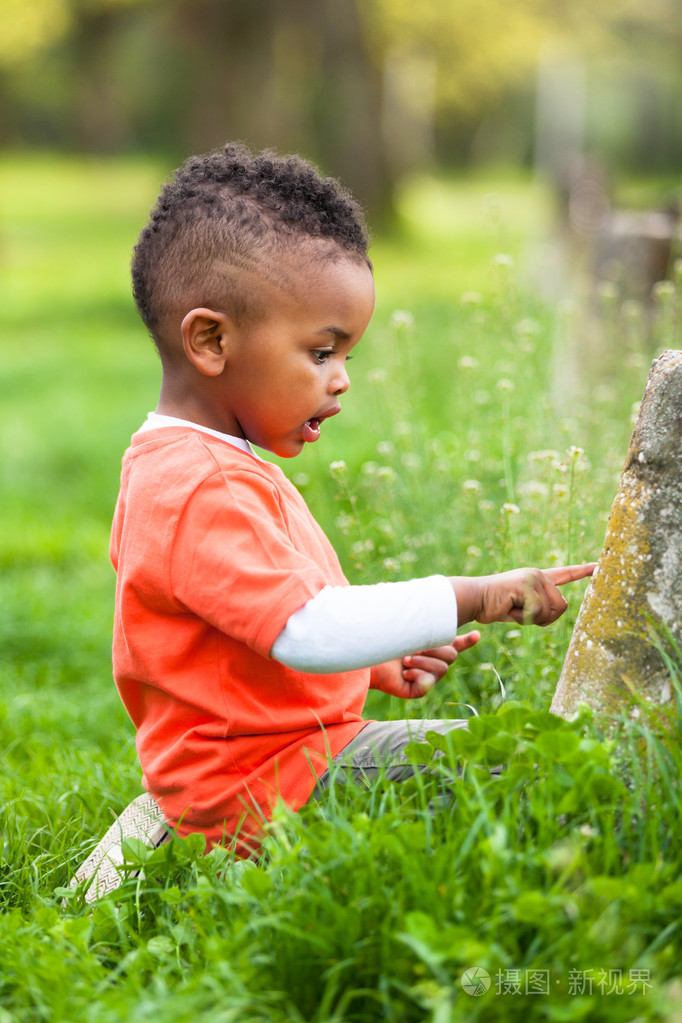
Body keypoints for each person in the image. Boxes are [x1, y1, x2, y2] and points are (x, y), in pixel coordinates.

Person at [72, 143, 595, 899]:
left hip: (271, 762)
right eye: (322, 352)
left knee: (501, 757)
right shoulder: (202, 484)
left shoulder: (189, 464)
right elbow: (305, 627)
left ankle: (177, 817)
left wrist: (370, 664)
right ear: (212, 341)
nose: (342, 379)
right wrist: (473, 594)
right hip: (270, 783)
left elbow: (244, 631)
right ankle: (191, 827)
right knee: (518, 763)